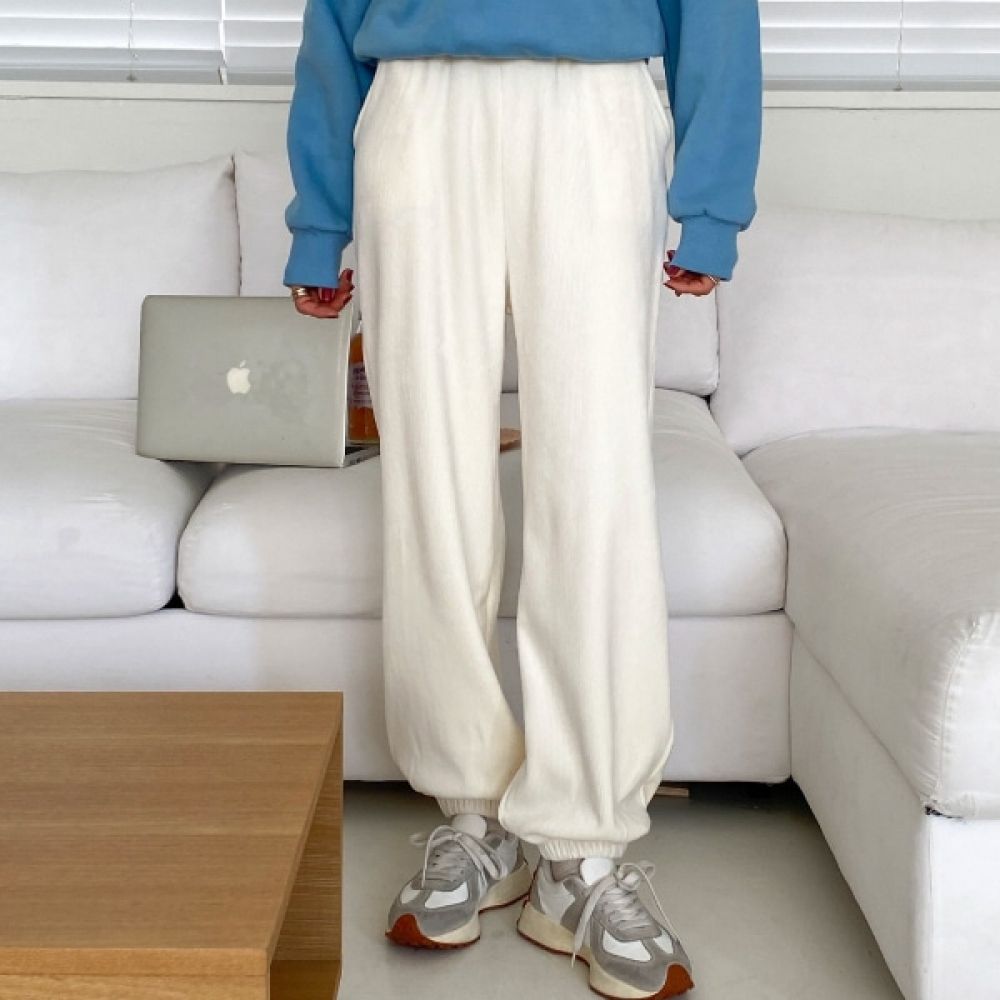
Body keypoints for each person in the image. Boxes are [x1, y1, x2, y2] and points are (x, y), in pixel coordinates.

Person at [282, 2, 762, 997]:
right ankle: (471, 814)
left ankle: (583, 847)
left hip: (593, 105)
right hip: (418, 101)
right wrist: (320, 218)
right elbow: (332, 14)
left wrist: (711, 202)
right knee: (431, 481)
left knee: (596, 484)